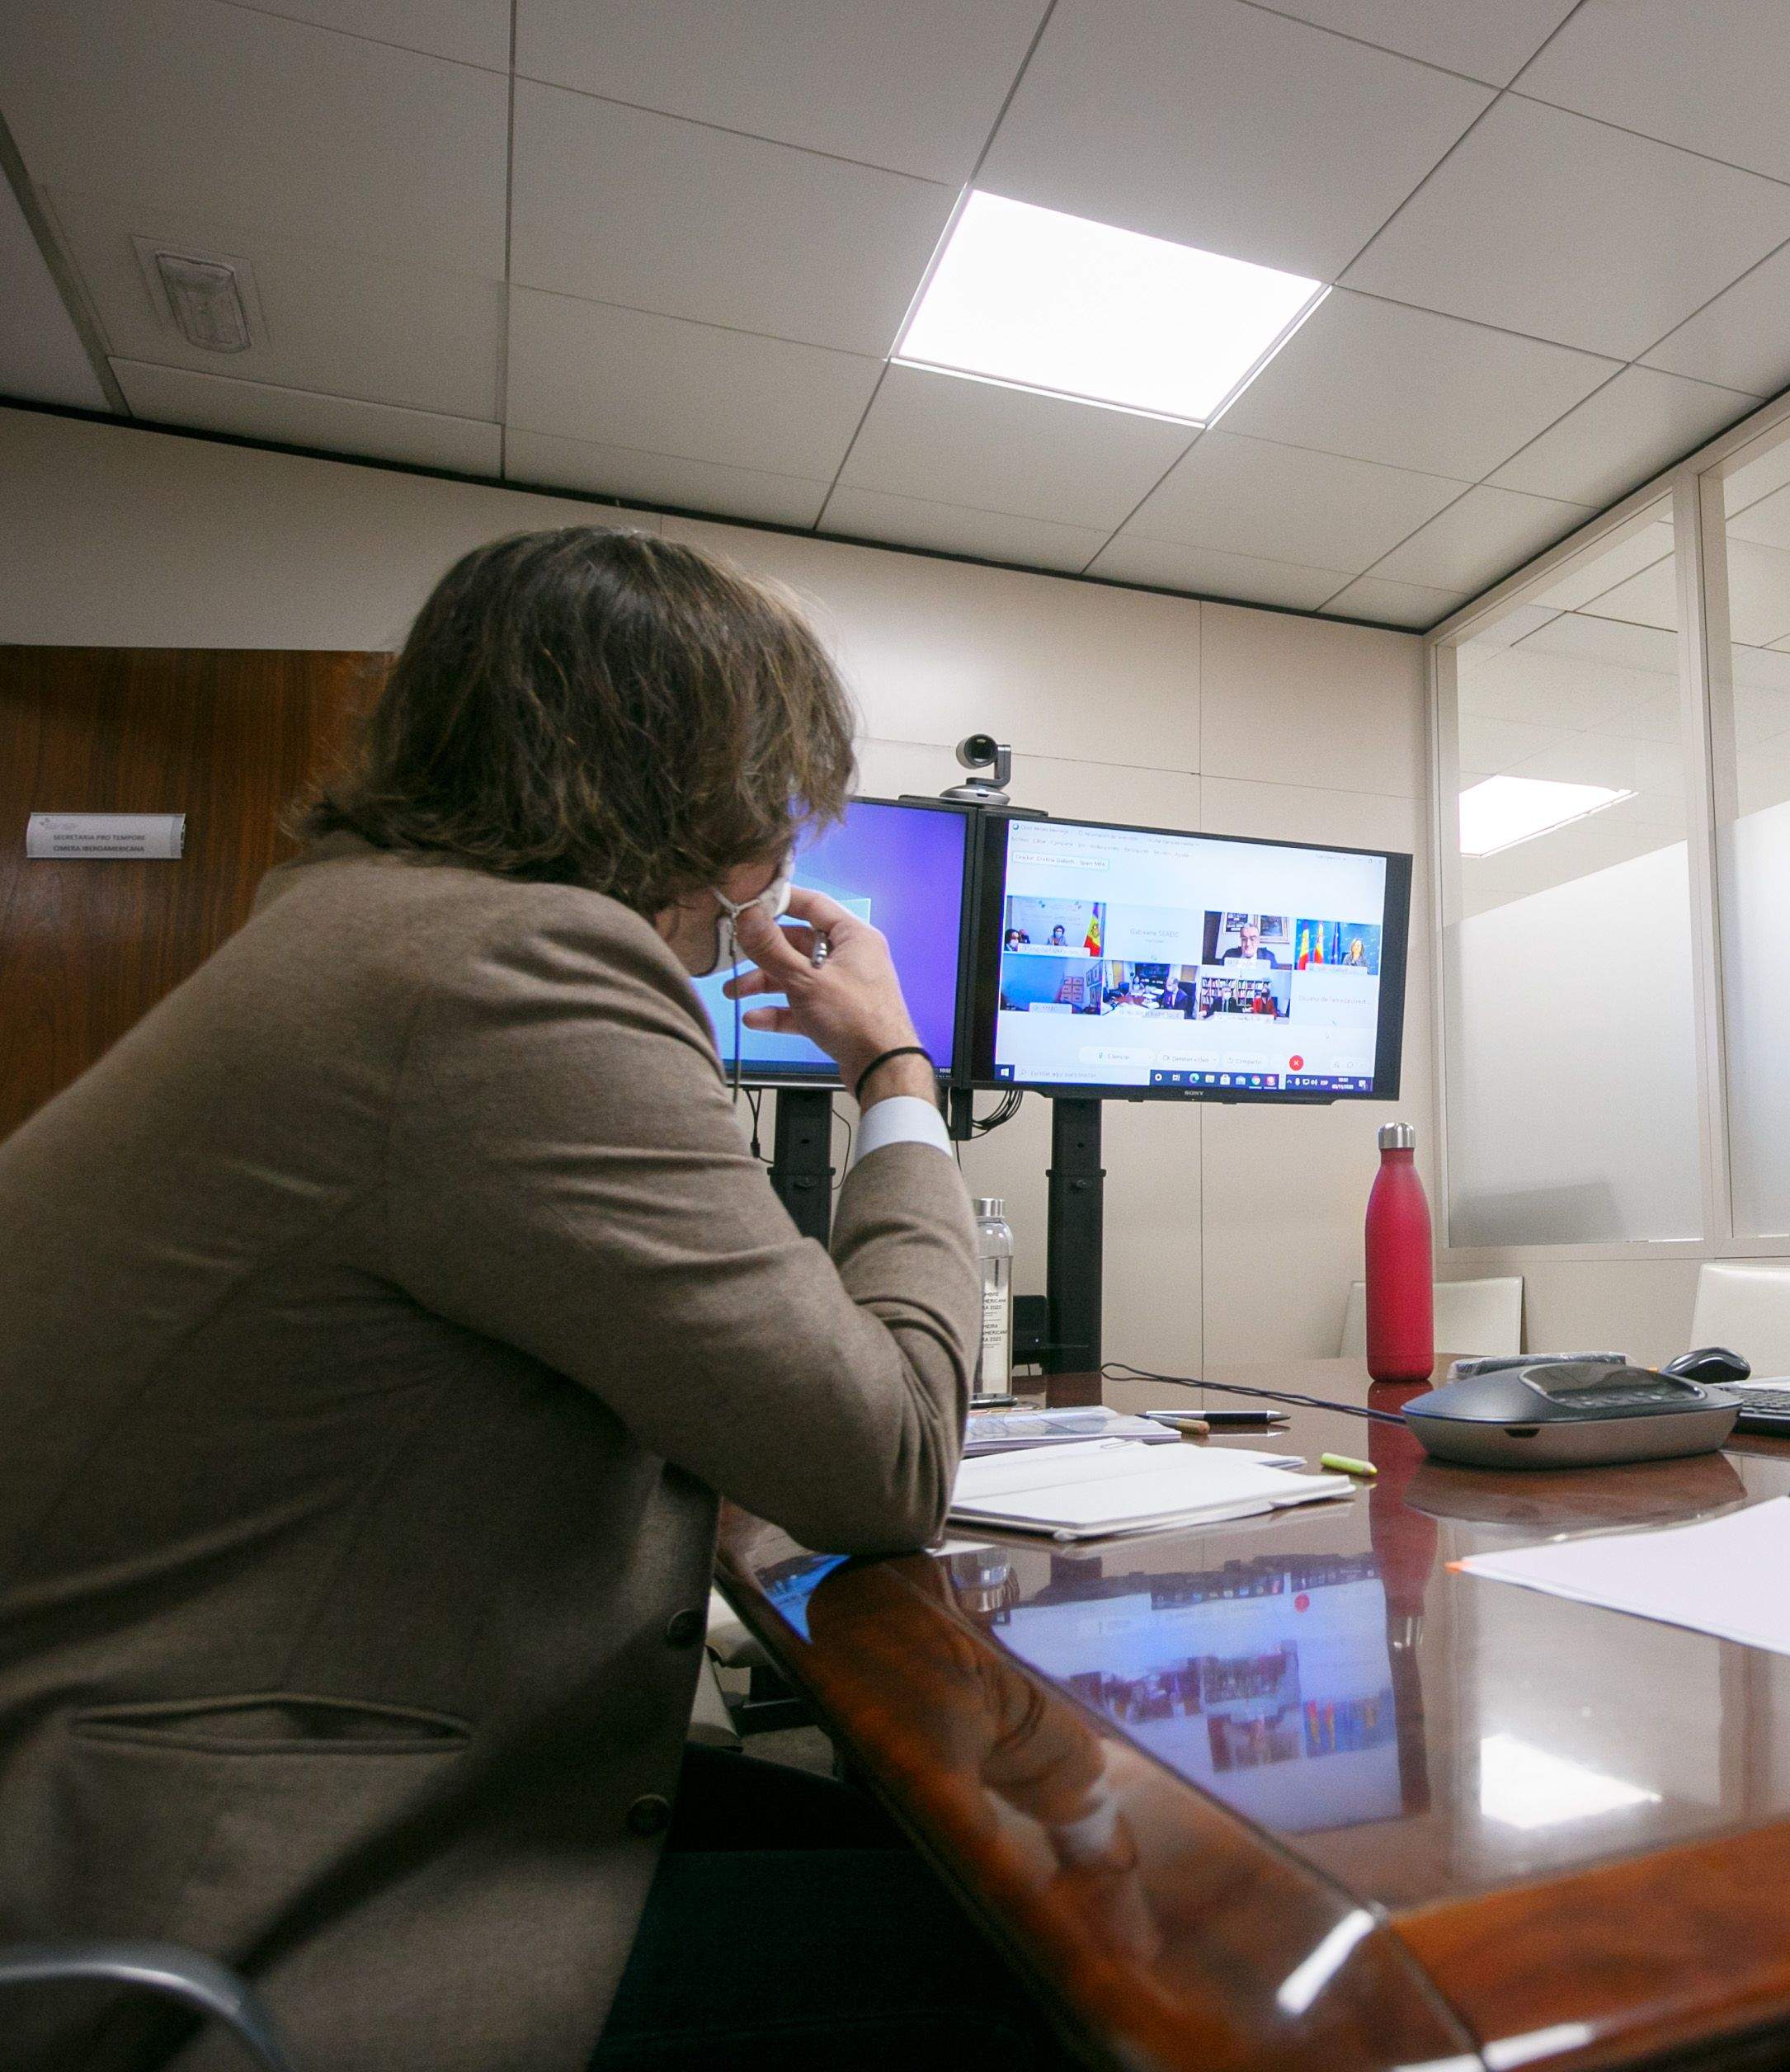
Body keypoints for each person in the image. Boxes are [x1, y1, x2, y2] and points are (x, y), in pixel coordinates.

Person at [0, 528, 1045, 2070]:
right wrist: (895, 1063)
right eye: (766, 815)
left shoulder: (365, 929)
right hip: (255, 1886)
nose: (763, 870)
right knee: (1043, 1961)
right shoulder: (512, 972)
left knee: (956, 1864)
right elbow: (882, 1458)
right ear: (678, 785)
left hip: (263, 1781)